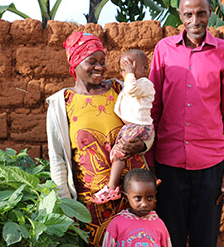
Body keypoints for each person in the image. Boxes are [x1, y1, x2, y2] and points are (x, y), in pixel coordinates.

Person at [147, 0, 224, 247]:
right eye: (188, 14)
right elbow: (153, 107)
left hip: (211, 164)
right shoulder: (163, 50)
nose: (195, 21)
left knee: (205, 240)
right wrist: (149, 160)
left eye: (201, 13)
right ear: (180, 15)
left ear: (210, 13)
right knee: (171, 240)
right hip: (169, 163)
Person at [46, 31, 153, 245]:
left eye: (102, 61)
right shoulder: (61, 103)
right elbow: (58, 160)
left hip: (132, 197)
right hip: (91, 205)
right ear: (75, 63)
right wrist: (67, 206)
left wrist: (142, 144)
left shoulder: (119, 89)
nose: (100, 67)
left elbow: (146, 124)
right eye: (92, 62)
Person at [91, 50, 154, 204]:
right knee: (118, 154)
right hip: (132, 127)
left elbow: (131, 89)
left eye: (130, 67)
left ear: (145, 68)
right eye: (123, 69)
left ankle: (112, 187)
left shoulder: (144, 84)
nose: (126, 73)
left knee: (120, 153)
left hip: (139, 126)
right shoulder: (131, 85)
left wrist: (130, 75)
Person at [102, 168, 172, 247]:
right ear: (126, 198)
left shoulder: (159, 224)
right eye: (138, 198)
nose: (144, 204)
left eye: (149, 198)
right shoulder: (116, 223)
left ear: (155, 197)